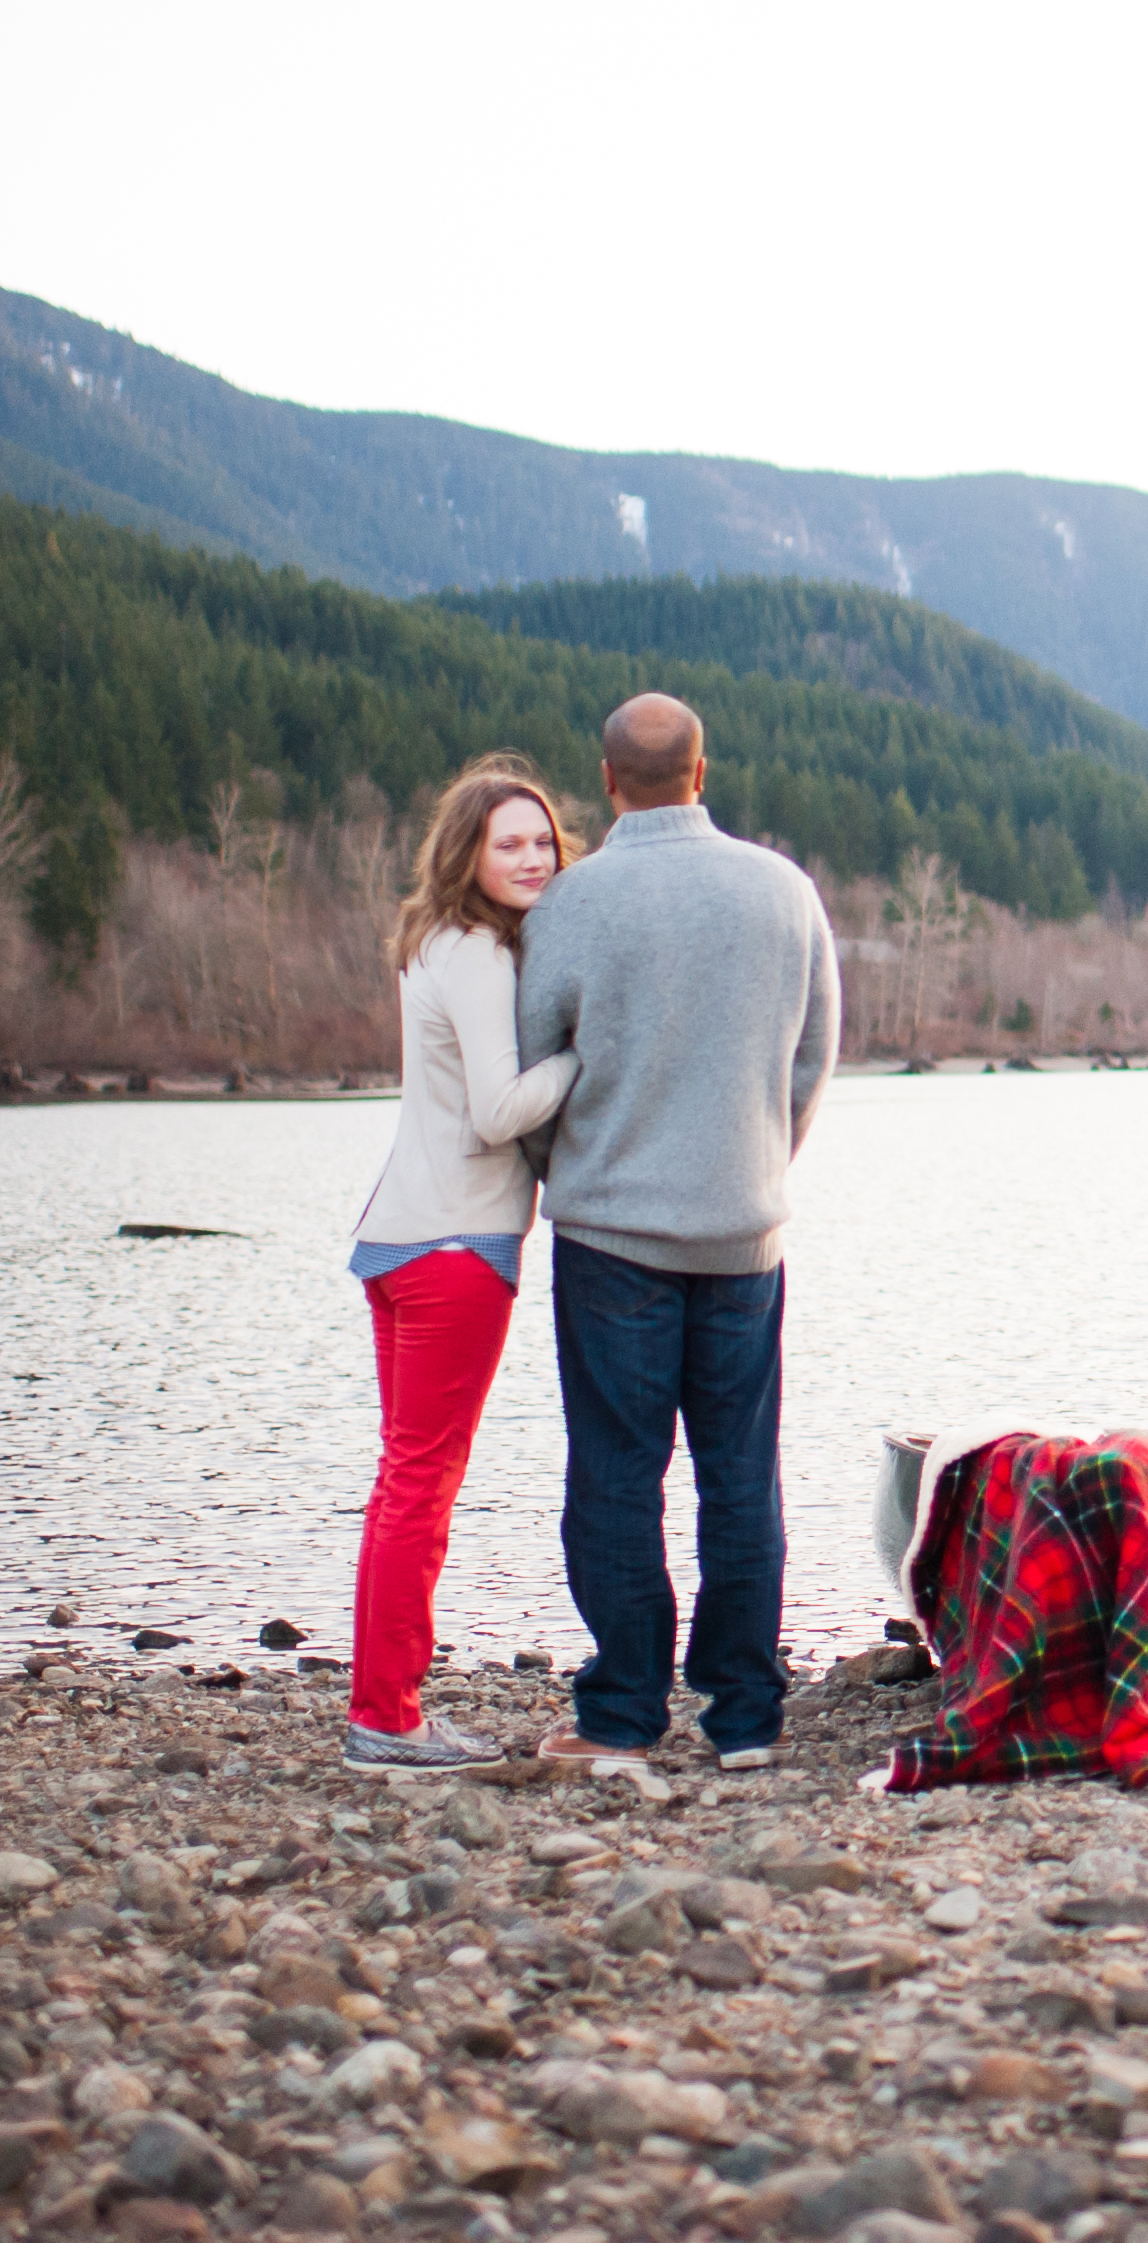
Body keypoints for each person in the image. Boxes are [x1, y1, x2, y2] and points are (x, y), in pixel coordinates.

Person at [516, 693, 844, 1772]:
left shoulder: (571, 901)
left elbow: (532, 1075)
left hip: (612, 1233)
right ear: (701, 773)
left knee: (617, 1471)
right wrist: (755, 1161)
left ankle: (621, 1715)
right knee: (739, 1473)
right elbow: (810, 1061)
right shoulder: (783, 892)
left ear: (608, 783)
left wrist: (561, 1172)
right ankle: (746, 1720)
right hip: (744, 1232)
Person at [337, 756, 583, 1772]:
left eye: (542, 841)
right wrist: (583, 1056)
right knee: (421, 1485)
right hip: (452, 1247)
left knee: (403, 1478)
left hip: (397, 1238)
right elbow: (496, 1113)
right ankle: (386, 1720)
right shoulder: (479, 953)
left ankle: (383, 1704)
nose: (531, 858)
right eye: (508, 843)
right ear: (467, 852)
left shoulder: (430, 938)